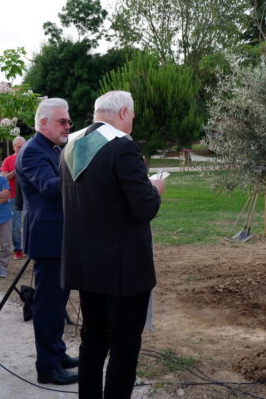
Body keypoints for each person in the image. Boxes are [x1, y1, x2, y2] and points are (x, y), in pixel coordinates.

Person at [61, 91, 166, 399]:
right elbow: (144, 208)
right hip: (123, 269)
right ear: (122, 112)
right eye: (131, 115)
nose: (131, 121)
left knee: (92, 340)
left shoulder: (70, 144)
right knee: (123, 347)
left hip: (86, 264)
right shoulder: (123, 147)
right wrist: (155, 189)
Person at [15, 98, 78, 385]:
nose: (68, 126)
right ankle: (47, 367)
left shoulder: (52, 148)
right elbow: (51, 187)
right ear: (43, 123)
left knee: (57, 303)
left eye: (68, 121)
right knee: (48, 305)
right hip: (48, 237)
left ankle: (57, 353)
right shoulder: (32, 151)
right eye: (62, 121)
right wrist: (83, 172)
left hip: (59, 236)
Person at [0, 136, 25, 260]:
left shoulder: (29, 157)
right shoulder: (8, 160)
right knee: (16, 226)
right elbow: (4, 178)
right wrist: (16, 170)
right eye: (18, 147)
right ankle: (17, 249)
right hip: (13, 197)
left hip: (28, 196)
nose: (21, 149)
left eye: (22, 146)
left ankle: (28, 247)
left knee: (29, 223)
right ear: (13, 147)